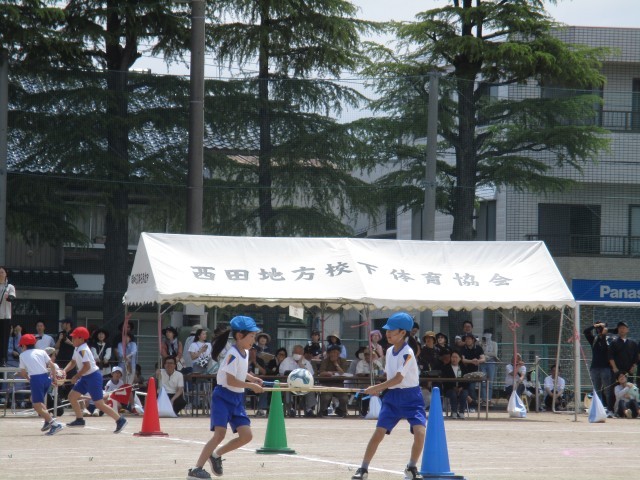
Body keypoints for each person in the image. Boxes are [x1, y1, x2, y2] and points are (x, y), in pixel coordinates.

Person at [186, 315, 264, 480]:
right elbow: (230, 380)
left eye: (254, 336)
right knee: (219, 434)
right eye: (251, 336)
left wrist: (252, 378)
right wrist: (251, 386)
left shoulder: (245, 352)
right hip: (223, 397)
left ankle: (215, 455)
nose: (254, 339)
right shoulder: (233, 354)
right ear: (239, 336)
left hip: (237, 398)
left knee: (246, 436)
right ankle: (196, 469)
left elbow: (240, 372)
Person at [351, 312, 426, 480]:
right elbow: (390, 377)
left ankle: (412, 467)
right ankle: (363, 468)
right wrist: (379, 389)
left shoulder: (408, 353)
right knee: (378, 433)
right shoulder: (390, 351)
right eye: (387, 330)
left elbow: (399, 378)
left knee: (420, 432)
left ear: (403, 333)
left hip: (412, 397)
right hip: (392, 397)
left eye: (392, 330)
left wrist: (376, 387)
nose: (388, 333)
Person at [63, 326, 128, 433]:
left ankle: (120, 420)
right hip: (86, 377)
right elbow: (73, 362)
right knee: (72, 396)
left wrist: (76, 376)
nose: (72, 339)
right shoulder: (77, 348)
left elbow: (87, 366)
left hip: (93, 377)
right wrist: (64, 371)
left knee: (99, 404)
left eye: (74, 337)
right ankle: (79, 419)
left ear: (81, 339)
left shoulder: (83, 350)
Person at [17, 334, 63, 435]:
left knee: (36, 405)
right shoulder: (42, 351)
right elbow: (52, 366)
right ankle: (47, 420)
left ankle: (54, 424)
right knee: (37, 401)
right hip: (46, 378)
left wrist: (28, 379)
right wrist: (54, 379)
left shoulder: (22, 355)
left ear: (24, 345)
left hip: (36, 379)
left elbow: (23, 372)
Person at [279, 344, 317, 417]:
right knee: (286, 388)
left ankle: (309, 409)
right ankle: (290, 409)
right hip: (290, 384)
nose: (297, 354)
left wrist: (301, 364)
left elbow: (310, 374)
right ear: (292, 353)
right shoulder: (287, 360)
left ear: (302, 354)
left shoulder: (306, 362)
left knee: (310, 387)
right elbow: (282, 372)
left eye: (299, 353)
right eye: (295, 352)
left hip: (303, 384)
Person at [583, 322, 613, 412]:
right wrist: (594, 326)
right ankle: (598, 409)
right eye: (598, 327)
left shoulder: (609, 339)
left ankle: (609, 409)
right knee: (597, 390)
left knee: (607, 390)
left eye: (601, 327)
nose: (599, 329)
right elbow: (585, 331)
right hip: (595, 368)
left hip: (606, 368)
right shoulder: (594, 340)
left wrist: (604, 333)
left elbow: (605, 347)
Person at [318, 344, 350, 417]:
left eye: (336, 352)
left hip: (339, 385)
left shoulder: (343, 361)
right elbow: (321, 372)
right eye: (332, 352)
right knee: (326, 397)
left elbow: (343, 373)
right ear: (329, 353)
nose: (334, 354)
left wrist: (336, 364)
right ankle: (323, 410)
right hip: (327, 385)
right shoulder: (325, 361)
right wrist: (329, 373)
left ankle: (340, 410)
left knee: (344, 398)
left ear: (339, 353)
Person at [460, 332, 484, 409]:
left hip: (474, 372)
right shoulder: (463, 349)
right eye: (466, 339)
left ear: (473, 340)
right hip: (463, 372)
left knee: (471, 388)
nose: (467, 340)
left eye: (469, 339)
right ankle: (467, 405)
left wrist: (478, 361)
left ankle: (473, 405)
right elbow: (463, 360)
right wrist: (472, 361)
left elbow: (483, 359)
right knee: (464, 389)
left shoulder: (479, 348)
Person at [441, 350, 468, 419]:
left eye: (456, 357)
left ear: (460, 359)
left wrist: (461, 387)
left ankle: (461, 412)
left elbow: (466, 380)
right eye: (453, 357)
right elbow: (445, 381)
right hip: (449, 389)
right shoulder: (446, 367)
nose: (454, 359)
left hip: (461, 388)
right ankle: (454, 412)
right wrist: (453, 387)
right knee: (453, 394)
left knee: (464, 393)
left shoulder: (463, 368)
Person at [0, 266, 16, 363]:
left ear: (6, 274)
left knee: (4, 339)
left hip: (5, 316)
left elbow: (12, 298)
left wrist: (8, 297)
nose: (0, 274)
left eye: (2, 272)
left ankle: (3, 359)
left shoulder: (10, 287)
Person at [479, 331, 499, 406]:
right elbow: (480, 353)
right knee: (483, 381)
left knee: (490, 381)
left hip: (491, 362)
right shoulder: (481, 343)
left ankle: (489, 399)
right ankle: (484, 399)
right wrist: (482, 345)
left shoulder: (494, 343)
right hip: (482, 362)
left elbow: (494, 354)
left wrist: (485, 353)